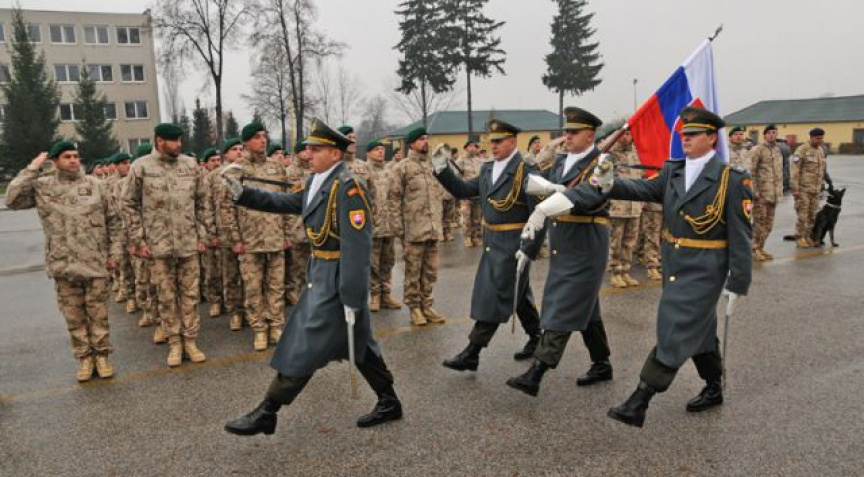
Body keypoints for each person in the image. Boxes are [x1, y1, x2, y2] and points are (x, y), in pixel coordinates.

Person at [542, 106, 752, 427]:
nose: (685, 139)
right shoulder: (674, 171)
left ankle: (640, 399)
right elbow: (644, 190)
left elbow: (741, 236)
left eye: (693, 134)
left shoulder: (731, 180)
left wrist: (738, 282)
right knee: (697, 329)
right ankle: (713, 386)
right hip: (675, 266)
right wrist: (610, 183)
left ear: (712, 138)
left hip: (706, 269)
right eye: (684, 134)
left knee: (674, 326)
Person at [223, 119, 403, 435]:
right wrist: (243, 194)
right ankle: (389, 401)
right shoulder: (319, 181)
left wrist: (352, 296)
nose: (308, 154)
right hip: (320, 272)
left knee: (305, 343)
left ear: (335, 154)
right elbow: (286, 202)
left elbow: (357, 246)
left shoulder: (348, 186)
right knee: (360, 343)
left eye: (316, 149)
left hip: (338, 279)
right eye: (308, 149)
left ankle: (268, 410)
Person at [505, 107, 614, 397]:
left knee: (563, 304)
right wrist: (528, 248)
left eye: (574, 132)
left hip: (587, 241)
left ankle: (536, 372)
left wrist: (558, 195)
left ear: (590, 135)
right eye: (566, 132)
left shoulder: (603, 162)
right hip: (563, 241)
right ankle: (602, 363)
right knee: (585, 305)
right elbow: (537, 191)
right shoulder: (562, 162)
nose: (567, 137)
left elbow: (590, 196)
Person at [433, 119, 545, 369]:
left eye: (499, 141)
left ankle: (472, 352)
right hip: (492, 241)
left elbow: (539, 214)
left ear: (512, 142)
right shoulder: (487, 169)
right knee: (517, 292)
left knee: (496, 295)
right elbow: (463, 190)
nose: (493, 146)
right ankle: (537, 336)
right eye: (491, 141)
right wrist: (442, 169)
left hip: (514, 244)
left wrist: (530, 250)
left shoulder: (526, 170)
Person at [5, 142, 121, 381]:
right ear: (55, 161)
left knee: (99, 314)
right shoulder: (43, 186)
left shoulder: (95, 185)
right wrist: (33, 168)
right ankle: (84, 358)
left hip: (95, 262)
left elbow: (114, 222)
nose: (73, 160)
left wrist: (115, 255)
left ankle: (102, 356)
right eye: (67, 156)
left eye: (76, 156)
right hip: (63, 264)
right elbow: (12, 200)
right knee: (74, 317)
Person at [122, 123, 210, 367]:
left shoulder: (190, 165)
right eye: (174, 140)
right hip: (157, 245)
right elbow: (128, 204)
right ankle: (174, 343)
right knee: (166, 296)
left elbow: (203, 202)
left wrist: (202, 235)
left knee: (190, 295)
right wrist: (138, 239)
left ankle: (190, 341)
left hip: (188, 243)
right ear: (159, 141)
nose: (179, 144)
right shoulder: (141, 167)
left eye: (180, 140)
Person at [221, 123, 290, 351]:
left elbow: (287, 202)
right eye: (257, 137)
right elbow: (227, 207)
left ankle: (276, 326)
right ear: (247, 142)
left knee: (276, 285)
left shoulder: (277, 167)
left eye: (264, 136)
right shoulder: (236, 170)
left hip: (275, 237)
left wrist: (287, 233)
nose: (263, 140)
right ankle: (259, 328)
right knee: (252, 287)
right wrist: (235, 239)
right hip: (249, 240)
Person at [389, 127, 447, 326]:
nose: (425, 142)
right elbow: (393, 200)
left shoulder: (433, 166)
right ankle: (414, 308)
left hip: (432, 228)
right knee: (413, 272)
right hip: (413, 230)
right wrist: (399, 230)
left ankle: (427, 305)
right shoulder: (402, 168)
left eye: (426, 138)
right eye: (421, 139)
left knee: (430, 271)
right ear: (412, 143)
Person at [213, 138, 247, 330]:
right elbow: (209, 205)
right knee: (231, 275)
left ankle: (250, 310)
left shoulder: (247, 172)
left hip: (249, 233)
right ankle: (235, 312)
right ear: (225, 154)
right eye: (234, 149)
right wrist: (211, 233)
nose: (239, 152)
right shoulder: (216, 175)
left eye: (241, 149)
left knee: (249, 276)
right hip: (226, 234)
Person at [366, 139, 403, 312]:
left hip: (389, 225)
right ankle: (375, 295)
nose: (380, 152)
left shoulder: (389, 171)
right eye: (376, 149)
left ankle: (386, 294)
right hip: (373, 225)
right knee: (372, 263)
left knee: (388, 261)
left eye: (382, 149)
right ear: (368, 153)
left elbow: (395, 197)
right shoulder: (364, 171)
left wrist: (397, 220)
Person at [607, 130, 643, 288]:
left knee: (630, 241)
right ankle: (615, 272)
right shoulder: (611, 153)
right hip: (618, 206)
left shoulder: (636, 153)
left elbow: (641, 176)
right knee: (616, 241)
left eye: (628, 134)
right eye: (623, 134)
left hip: (635, 205)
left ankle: (625, 271)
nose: (625, 137)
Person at [750, 124, 784, 261]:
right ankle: (754, 249)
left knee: (768, 225)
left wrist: (780, 190)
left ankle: (761, 247)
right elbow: (751, 172)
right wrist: (755, 192)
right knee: (759, 223)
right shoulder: (757, 150)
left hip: (773, 194)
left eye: (774, 132)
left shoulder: (777, 150)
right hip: (761, 194)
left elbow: (779, 172)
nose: (772, 135)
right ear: (764, 135)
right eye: (769, 133)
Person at [284, 142, 312, 306]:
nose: (308, 153)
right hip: (295, 227)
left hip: (314, 228)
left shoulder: (316, 171)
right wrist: (286, 231)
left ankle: (309, 297)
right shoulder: (288, 172)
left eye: (310, 150)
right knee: (296, 267)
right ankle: (295, 296)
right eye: (305, 150)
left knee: (312, 266)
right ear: (297, 153)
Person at [790, 128, 828, 248]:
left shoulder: (820, 150)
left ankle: (807, 236)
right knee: (803, 215)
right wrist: (795, 188)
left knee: (812, 215)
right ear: (811, 137)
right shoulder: (802, 150)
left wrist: (822, 186)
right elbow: (795, 170)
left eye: (821, 138)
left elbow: (821, 170)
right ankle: (799, 237)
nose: (820, 140)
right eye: (817, 138)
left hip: (816, 190)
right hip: (803, 189)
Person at [455, 139, 484, 247]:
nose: (473, 148)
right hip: (466, 193)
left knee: (477, 217)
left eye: (474, 146)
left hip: (477, 193)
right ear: (465, 148)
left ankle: (476, 237)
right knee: (467, 217)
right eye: (470, 146)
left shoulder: (479, 160)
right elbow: (456, 176)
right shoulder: (460, 160)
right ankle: (467, 238)